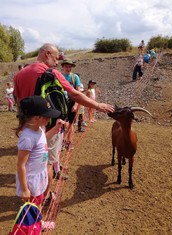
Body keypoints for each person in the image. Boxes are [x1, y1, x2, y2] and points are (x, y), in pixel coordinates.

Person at [13, 43, 114, 203]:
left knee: (29, 163)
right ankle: (44, 197)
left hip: (29, 127)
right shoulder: (52, 73)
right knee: (48, 163)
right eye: (56, 57)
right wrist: (97, 105)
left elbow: (19, 102)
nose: (57, 62)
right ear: (47, 54)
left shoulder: (19, 75)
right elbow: (74, 94)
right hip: (49, 126)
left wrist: (25, 124)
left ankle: (29, 192)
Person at [15, 95, 65, 208]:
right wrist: (24, 189)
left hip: (40, 174)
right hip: (32, 179)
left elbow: (43, 139)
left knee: (40, 199)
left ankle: (39, 221)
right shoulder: (27, 138)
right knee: (33, 205)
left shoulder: (39, 129)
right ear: (35, 118)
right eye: (47, 116)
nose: (49, 118)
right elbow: (20, 164)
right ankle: (35, 224)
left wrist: (55, 129)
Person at [61, 58, 81, 149]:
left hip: (71, 102)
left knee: (71, 124)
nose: (68, 69)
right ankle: (61, 141)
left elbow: (78, 91)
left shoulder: (75, 77)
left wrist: (76, 104)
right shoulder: (59, 76)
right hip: (61, 103)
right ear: (63, 67)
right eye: (66, 67)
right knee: (61, 123)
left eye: (70, 67)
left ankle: (69, 142)